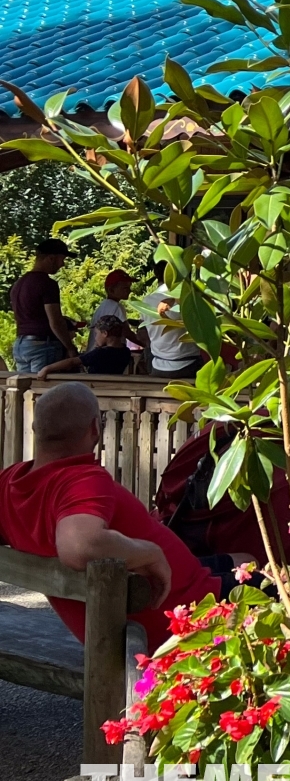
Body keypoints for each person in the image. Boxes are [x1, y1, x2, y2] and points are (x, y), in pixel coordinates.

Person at [0, 381, 222, 646]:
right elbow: (80, 545)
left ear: (36, 428)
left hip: (181, 590)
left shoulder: (10, 484)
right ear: (95, 428)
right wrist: (151, 552)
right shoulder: (80, 479)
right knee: (266, 580)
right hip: (188, 617)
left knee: (243, 560)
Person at [9, 238, 75, 375]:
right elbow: (55, 322)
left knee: (27, 386)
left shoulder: (19, 284)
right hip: (43, 346)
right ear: (51, 258)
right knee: (45, 386)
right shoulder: (47, 284)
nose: (62, 264)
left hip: (21, 345)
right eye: (62, 259)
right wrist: (70, 347)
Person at [139, 276, 206, 380]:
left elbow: (142, 333)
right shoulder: (188, 298)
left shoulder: (146, 301)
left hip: (157, 366)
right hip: (188, 365)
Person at [33, 314, 136, 377]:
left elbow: (72, 362)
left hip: (95, 388)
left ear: (105, 333)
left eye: (96, 334)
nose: (95, 337)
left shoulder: (100, 353)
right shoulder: (125, 352)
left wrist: (47, 369)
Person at [86, 269, 141, 352]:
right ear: (111, 290)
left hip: (94, 353)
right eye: (125, 288)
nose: (130, 290)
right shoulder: (116, 307)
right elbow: (127, 333)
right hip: (105, 354)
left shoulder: (103, 306)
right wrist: (147, 344)